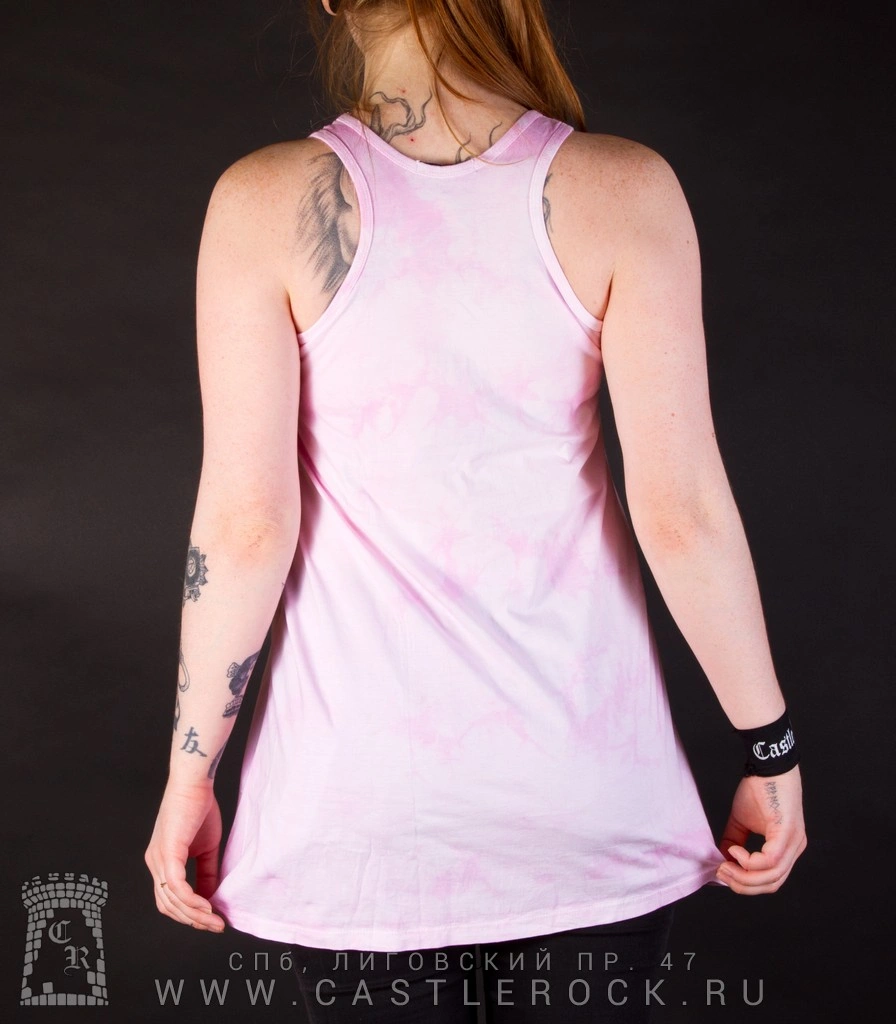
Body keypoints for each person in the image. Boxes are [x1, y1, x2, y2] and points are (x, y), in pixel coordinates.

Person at [144, 0, 807, 1019]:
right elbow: (680, 515)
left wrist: (191, 774)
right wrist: (770, 749)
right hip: (586, 809)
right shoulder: (625, 189)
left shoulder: (261, 203)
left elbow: (245, 529)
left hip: (357, 826)